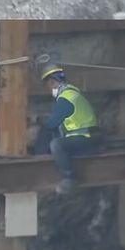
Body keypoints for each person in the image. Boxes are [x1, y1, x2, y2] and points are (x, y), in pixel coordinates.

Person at [34, 62, 100, 194]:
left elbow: (51, 124)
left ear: (52, 82)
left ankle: (69, 178)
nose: (48, 88)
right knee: (55, 138)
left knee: (56, 144)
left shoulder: (66, 98)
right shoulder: (72, 92)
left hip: (86, 138)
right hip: (90, 136)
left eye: (48, 84)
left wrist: (38, 151)